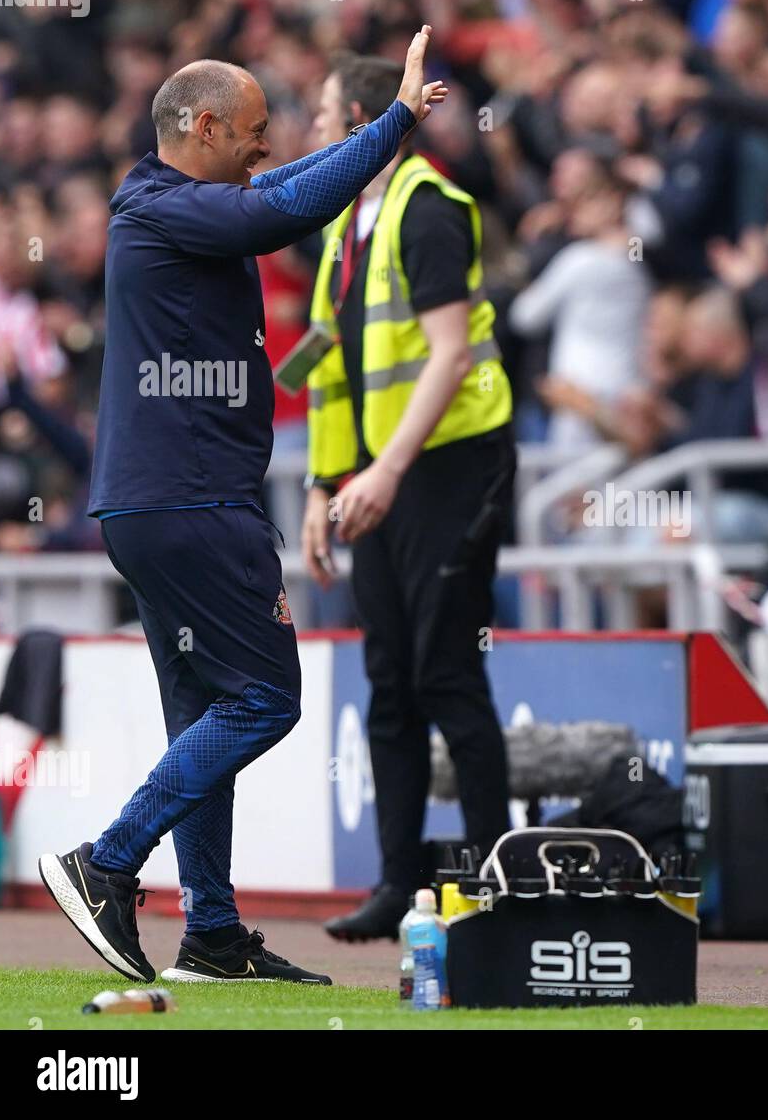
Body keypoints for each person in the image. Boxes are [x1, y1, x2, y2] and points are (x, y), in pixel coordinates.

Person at [38, 28, 448, 985]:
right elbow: (290, 208)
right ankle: (106, 863)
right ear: (208, 125)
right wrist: (394, 119)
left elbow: (274, 195)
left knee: (207, 718)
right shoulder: (164, 208)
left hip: (158, 503)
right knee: (266, 699)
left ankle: (212, 933)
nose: (267, 148)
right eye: (256, 132)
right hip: (190, 500)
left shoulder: (170, 204)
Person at [300, 54, 515, 943]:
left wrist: (382, 471)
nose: (313, 133)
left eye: (321, 117)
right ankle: (400, 885)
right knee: (388, 680)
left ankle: (496, 886)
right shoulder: (344, 223)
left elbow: (450, 357)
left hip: (453, 466)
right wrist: (322, 486)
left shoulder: (430, 209)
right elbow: (323, 364)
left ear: (362, 121)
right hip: (379, 472)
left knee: (446, 674)